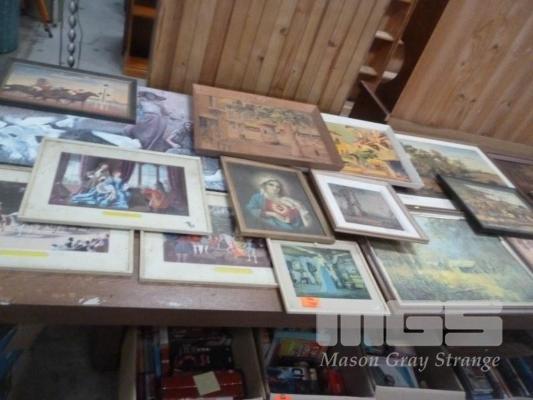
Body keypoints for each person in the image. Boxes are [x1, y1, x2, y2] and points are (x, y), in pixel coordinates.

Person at [245, 178, 311, 230]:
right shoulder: (258, 197)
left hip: (296, 227)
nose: (275, 188)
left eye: (278, 187)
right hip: (275, 227)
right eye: (271, 185)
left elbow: (302, 214)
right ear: (264, 186)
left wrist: (298, 208)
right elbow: (250, 209)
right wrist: (273, 214)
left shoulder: (286, 199)